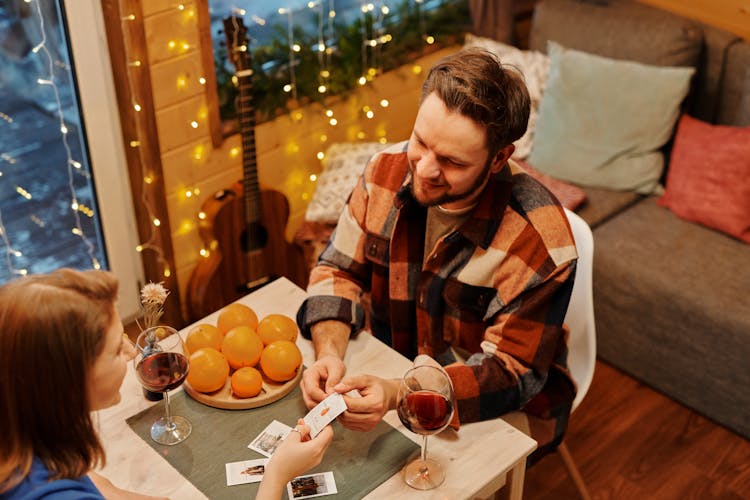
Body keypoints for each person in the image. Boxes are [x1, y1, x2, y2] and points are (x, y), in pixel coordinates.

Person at [296, 47, 578, 460]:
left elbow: (512, 374)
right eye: (420, 142)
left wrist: (400, 393)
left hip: (496, 403)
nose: (424, 169)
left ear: (499, 157)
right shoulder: (382, 173)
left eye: (450, 161)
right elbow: (339, 270)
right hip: (393, 365)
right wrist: (329, 352)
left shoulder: (540, 240)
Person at [0, 269, 332, 499]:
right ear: (68, 378)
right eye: (117, 348)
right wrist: (277, 474)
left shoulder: (21, 432)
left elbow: (87, 477)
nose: (132, 353)